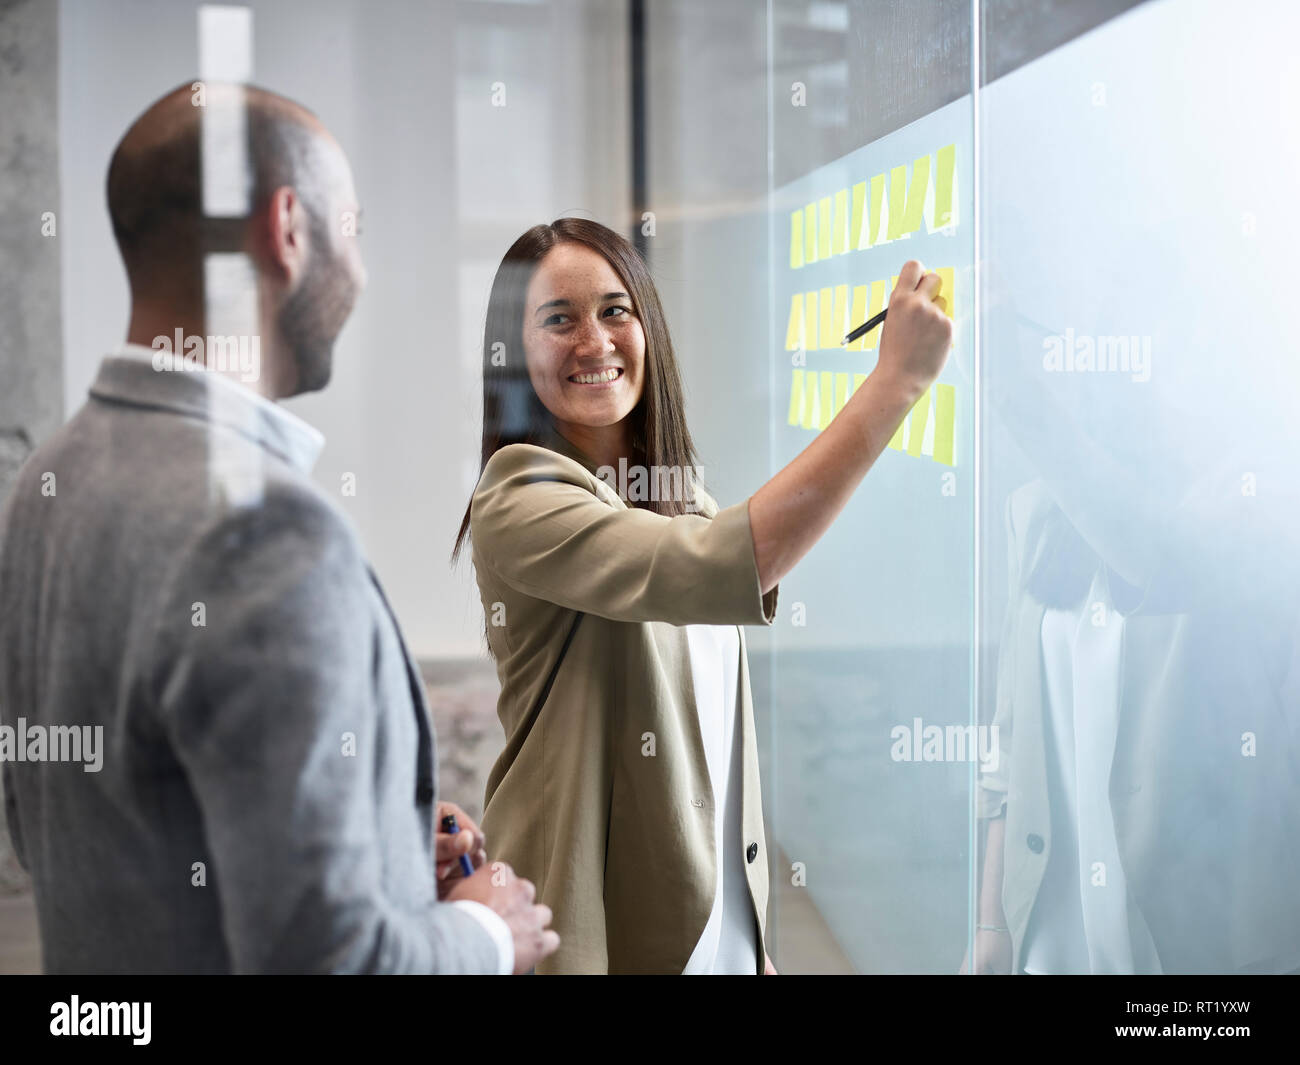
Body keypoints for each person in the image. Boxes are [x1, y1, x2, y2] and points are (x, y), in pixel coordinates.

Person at [0, 82, 557, 974]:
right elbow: (326, 959)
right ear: (288, 228)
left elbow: (72, 832)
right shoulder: (269, 533)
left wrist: (375, 843)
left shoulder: (43, 483)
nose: (362, 271)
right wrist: (490, 933)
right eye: (356, 230)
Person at [452, 217, 952, 973]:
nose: (594, 340)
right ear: (515, 354)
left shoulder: (686, 504)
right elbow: (737, 560)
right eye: (559, 319)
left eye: (615, 310)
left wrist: (747, 949)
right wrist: (896, 382)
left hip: (715, 946)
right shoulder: (517, 495)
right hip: (590, 942)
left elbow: (714, 744)